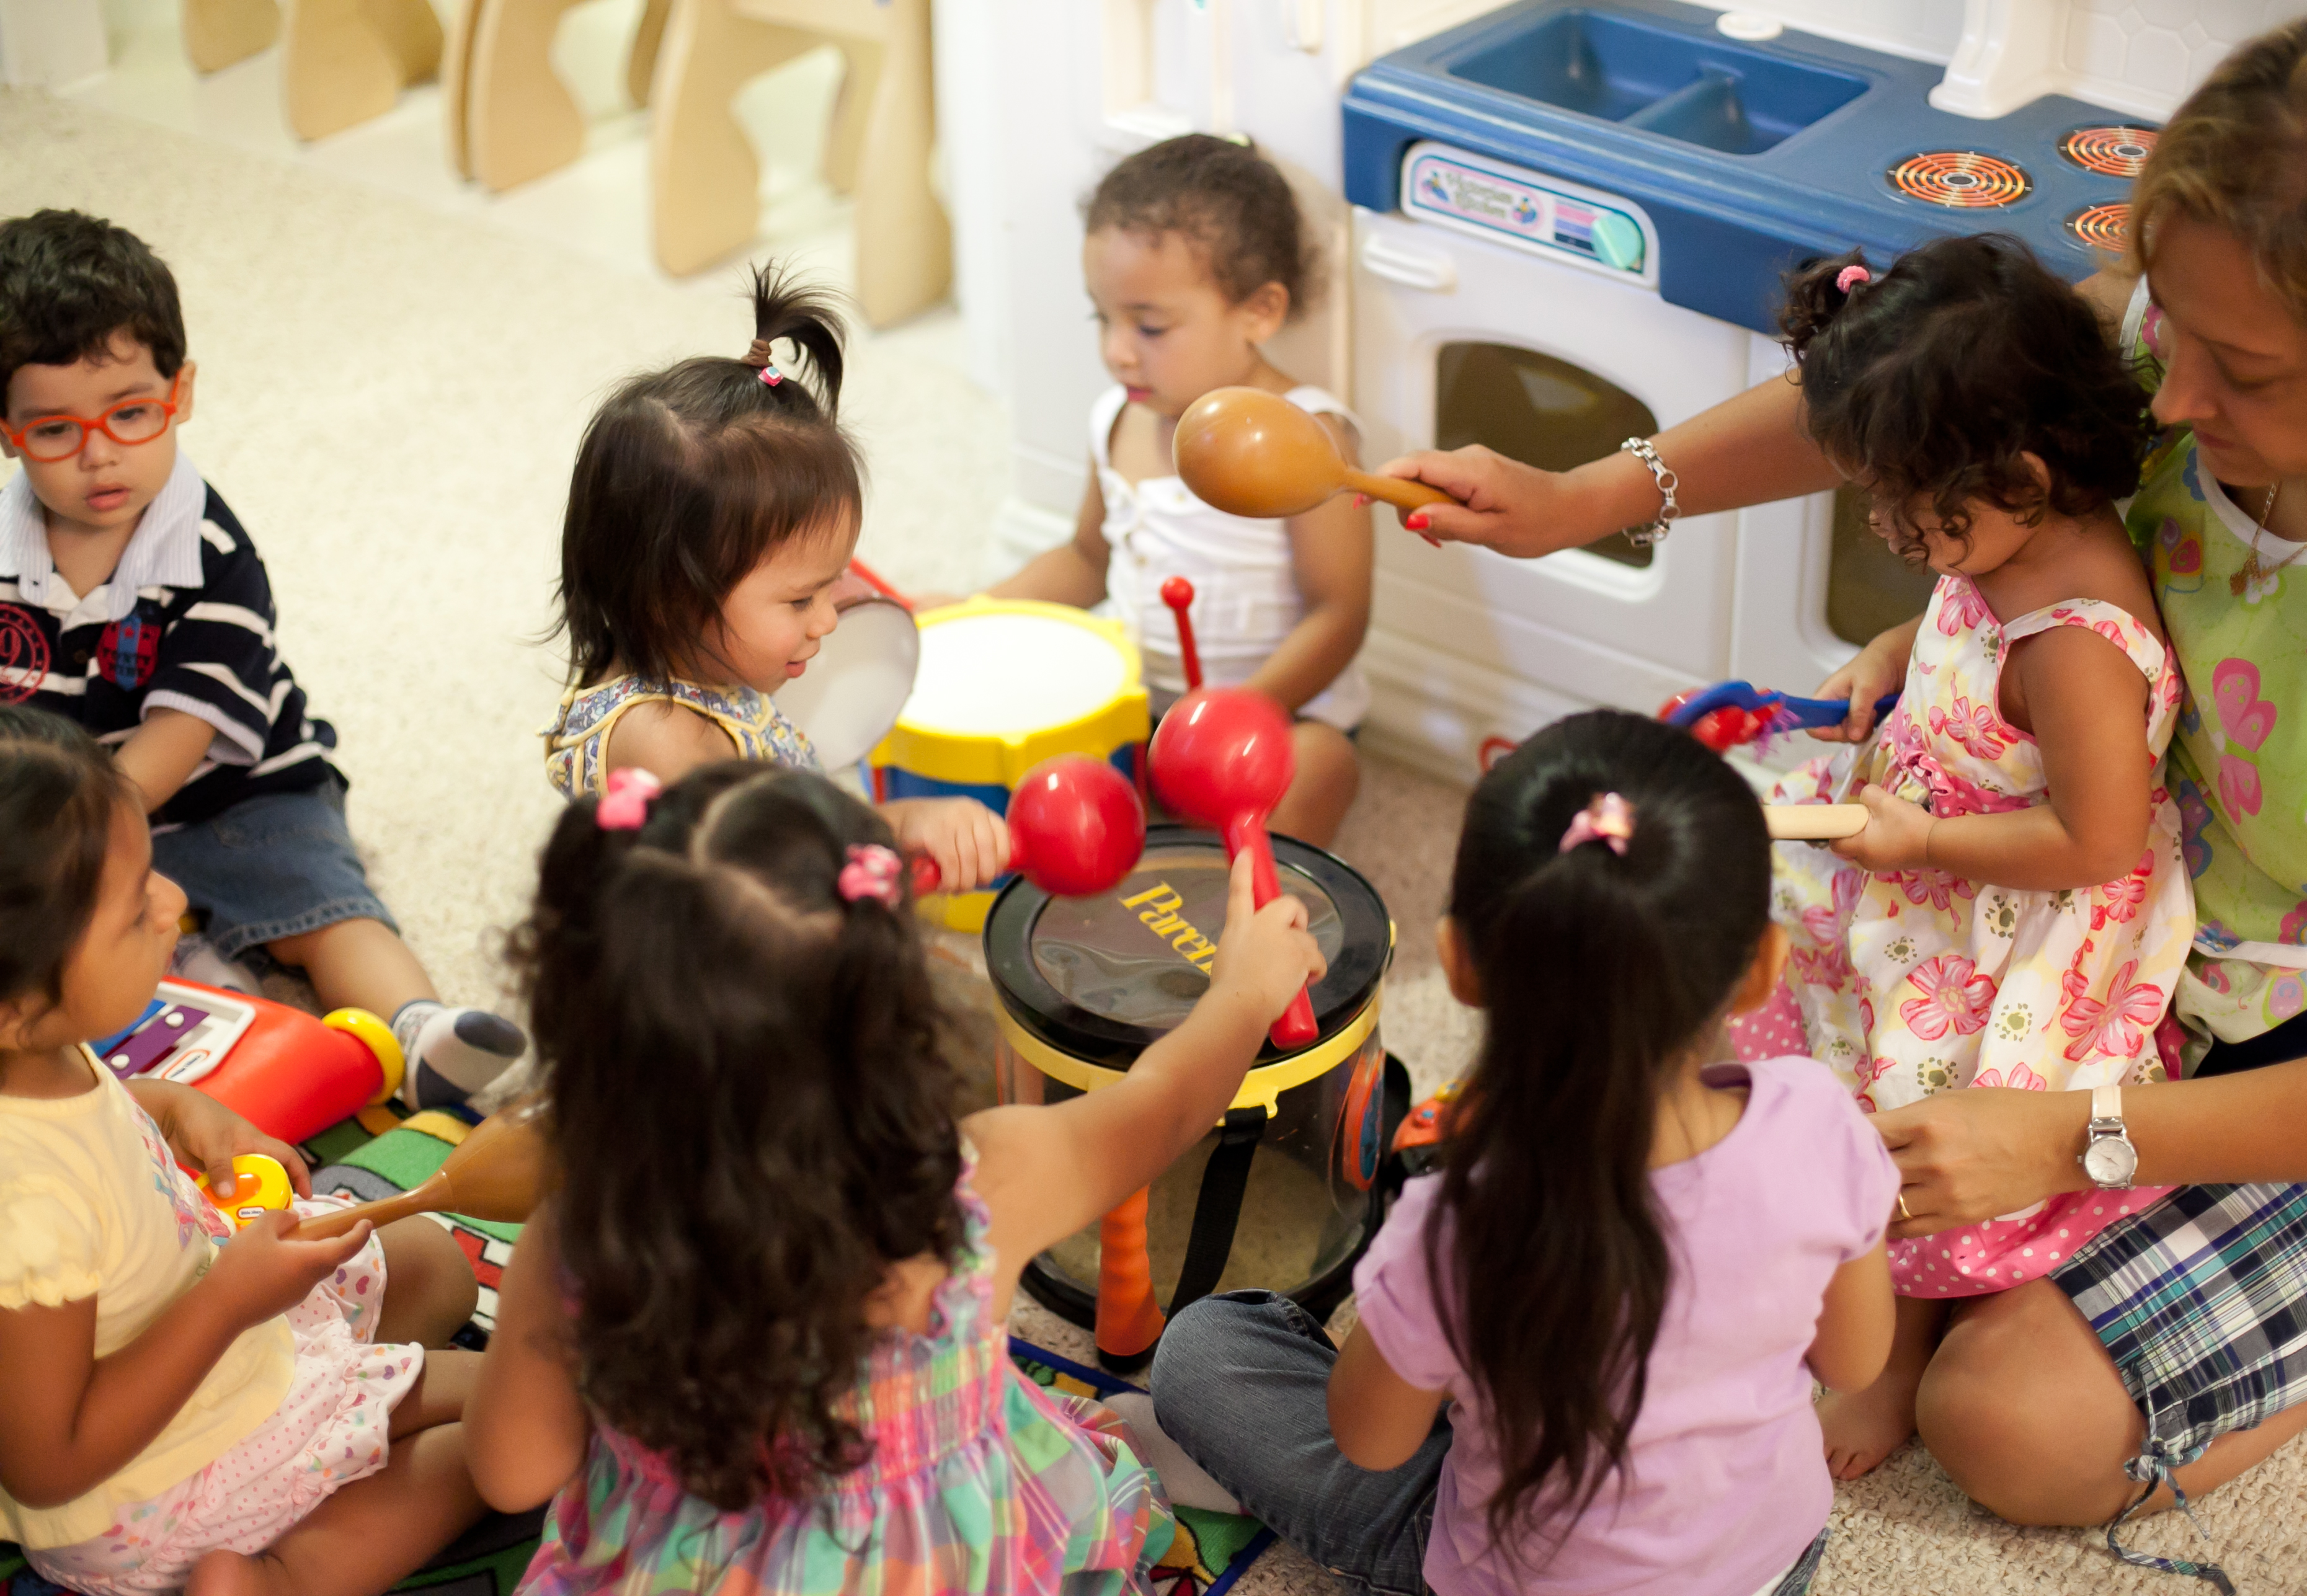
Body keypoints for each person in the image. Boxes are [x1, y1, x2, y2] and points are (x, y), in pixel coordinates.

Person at [1379, 16, 2307, 1582]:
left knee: (2014, 1419)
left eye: (2242, 372)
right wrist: (1590, 495)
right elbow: (1921, 393)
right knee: (1659, 939)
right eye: (2161, 329)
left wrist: (2086, 1136)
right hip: (2076, 895)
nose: (2170, 395)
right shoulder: (2171, 345)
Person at [462, 761, 1326, 1594]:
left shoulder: (581, 1229)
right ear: (889, 1012)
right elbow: (1165, 1105)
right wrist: (1246, 990)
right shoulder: (984, 1186)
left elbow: (512, 1471)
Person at [1149, 710, 1898, 1596]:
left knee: (1202, 1347)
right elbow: (1853, 1364)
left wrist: (1413, 1313)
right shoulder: (1819, 1119)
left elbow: (1370, 1440)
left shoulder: (1455, 1227)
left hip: (1521, 1576)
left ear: (1459, 963)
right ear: (1763, 966)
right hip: (1768, 1565)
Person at [1756, 237, 2195, 1479]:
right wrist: (1893, 654)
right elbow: (1958, 619)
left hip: (2007, 925)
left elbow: (2099, 837)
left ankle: (1896, 1340)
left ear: (2019, 475)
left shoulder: (2077, 642)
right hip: (1927, 879)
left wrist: (1926, 839)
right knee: (1806, 1029)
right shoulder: (2007, 542)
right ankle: (1837, 1280)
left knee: (1909, 1125)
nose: (1886, 526)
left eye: (1905, 506)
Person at [0, 209, 527, 1112]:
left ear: (184, 390)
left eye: (132, 413)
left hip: (239, 790)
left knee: (323, 901)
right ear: (8, 430)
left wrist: (96, 833)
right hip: (76, 811)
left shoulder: (212, 552)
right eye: (54, 432)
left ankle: (417, 1028)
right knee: (67, 943)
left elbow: (182, 729)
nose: (99, 455)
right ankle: (207, 1011)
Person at [0, 705, 484, 1596]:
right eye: (135, 902)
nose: (175, 902)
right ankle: (274, 1578)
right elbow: (46, 1462)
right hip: (149, 1489)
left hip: (217, 1327)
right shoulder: (23, 1211)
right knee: (507, 1415)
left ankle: (333, 1397)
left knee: (435, 1268)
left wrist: (182, 1108)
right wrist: (228, 1302)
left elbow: (93, 1112)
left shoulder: (30, 1048)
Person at [541, 265, 1007, 892]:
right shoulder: (667, 746)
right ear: (671, 598)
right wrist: (899, 824)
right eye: (799, 599)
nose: (827, 620)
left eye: (832, 584)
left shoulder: (701, 658)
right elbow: (776, 893)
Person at [979, 133, 1371, 847]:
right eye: (1103, 317)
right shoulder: (1118, 419)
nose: (1116, 350)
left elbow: (1339, 612)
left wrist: (1242, 712)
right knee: (1042, 767)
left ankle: (1247, 905)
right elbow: (1085, 559)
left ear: (1259, 312)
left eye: (1149, 325)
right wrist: (978, 613)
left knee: (1321, 765)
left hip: (1275, 717)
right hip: (1141, 716)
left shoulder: (1312, 440)